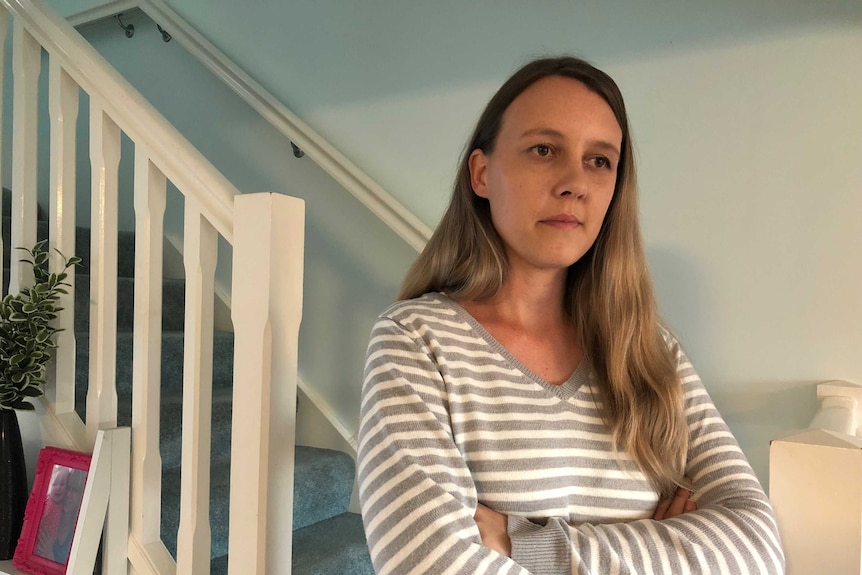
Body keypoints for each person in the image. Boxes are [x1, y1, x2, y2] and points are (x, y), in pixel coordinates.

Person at [357, 56, 785, 574]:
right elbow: (430, 567)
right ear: (482, 173)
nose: (574, 182)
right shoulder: (415, 343)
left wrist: (525, 544)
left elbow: (756, 549)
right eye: (544, 149)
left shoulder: (649, 352)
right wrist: (660, 540)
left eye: (600, 161)